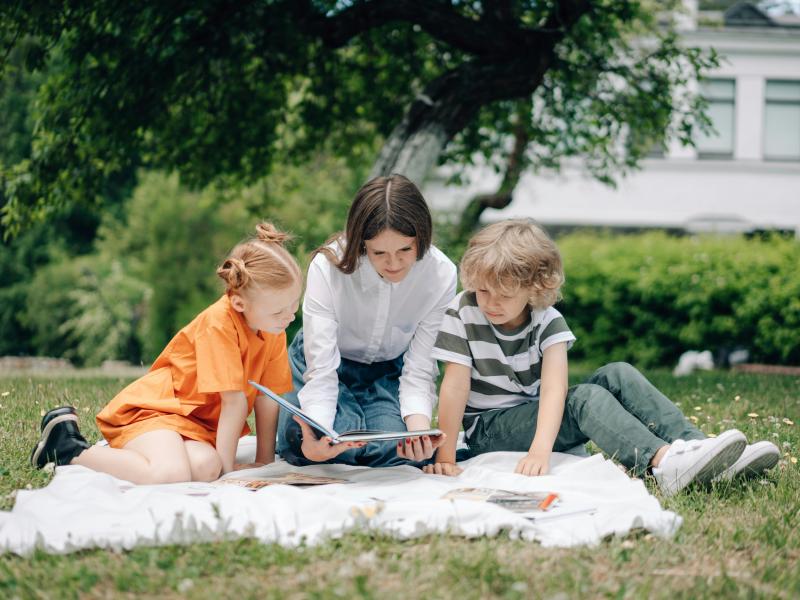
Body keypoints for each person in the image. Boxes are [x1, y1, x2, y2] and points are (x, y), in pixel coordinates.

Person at [424, 220, 780, 495]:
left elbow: (552, 389)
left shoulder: (549, 322)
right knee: (584, 399)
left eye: (503, 294)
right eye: (483, 290)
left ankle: (701, 450)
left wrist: (539, 447)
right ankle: (662, 464)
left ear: (535, 288)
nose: (490, 302)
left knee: (618, 372)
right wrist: (448, 456)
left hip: (532, 415)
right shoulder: (464, 312)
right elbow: (454, 387)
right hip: (487, 428)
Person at [31, 222, 306, 484]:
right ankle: (69, 448)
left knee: (207, 467)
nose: (289, 317)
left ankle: (137, 456)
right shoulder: (219, 324)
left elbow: (267, 398)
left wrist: (264, 461)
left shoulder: (272, 329)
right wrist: (230, 473)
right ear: (239, 302)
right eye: (279, 311)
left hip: (194, 425)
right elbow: (233, 403)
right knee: (169, 474)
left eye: (294, 306)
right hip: (157, 411)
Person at [277, 174, 456, 467]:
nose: (394, 263)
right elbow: (321, 369)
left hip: (386, 372)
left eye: (405, 250)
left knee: (396, 451)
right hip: (324, 362)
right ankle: (310, 442)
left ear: (421, 238)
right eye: (379, 253)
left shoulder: (441, 274)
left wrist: (419, 434)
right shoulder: (328, 267)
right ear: (361, 243)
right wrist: (318, 436)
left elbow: (421, 367)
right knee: (326, 445)